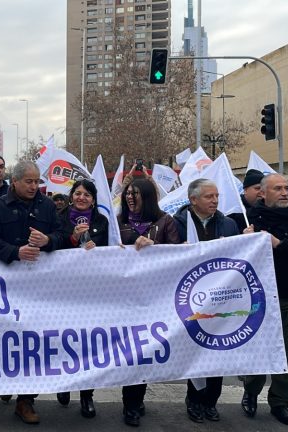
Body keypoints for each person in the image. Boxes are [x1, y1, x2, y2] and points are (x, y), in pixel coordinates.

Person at [0, 160, 64, 425]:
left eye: (37, 181)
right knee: (7, 339)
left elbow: (63, 235)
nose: (33, 186)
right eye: (28, 181)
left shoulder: (48, 206)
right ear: (15, 181)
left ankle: (26, 399)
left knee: (35, 342)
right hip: (8, 290)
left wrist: (48, 240)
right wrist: (15, 252)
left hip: (40, 290)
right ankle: (6, 380)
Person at [172, 179, 245, 423]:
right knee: (196, 351)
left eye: (216, 196)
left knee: (218, 350)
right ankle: (194, 399)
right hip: (190, 299)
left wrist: (246, 241)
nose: (215, 200)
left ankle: (211, 401)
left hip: (221, 299)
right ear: (193, 200)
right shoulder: (177, 224)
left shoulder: (229, 224)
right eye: (208, 196)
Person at [241, 173, 288, 426]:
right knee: (259, 348)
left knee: (286, 353)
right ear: (263, 193)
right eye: (277, 188)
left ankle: (280, 402)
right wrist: (243, 238)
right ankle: (251, 391)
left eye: (286, 188)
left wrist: (279, 243)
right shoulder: (251, 218)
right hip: (257, 297)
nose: (283, 192)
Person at [117, 177, 181, 427]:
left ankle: (136, 397)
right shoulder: (118, 222)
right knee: (130, 353)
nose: (130, 198)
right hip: (124, 300)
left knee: (146, 352)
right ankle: (130, 404)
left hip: (155, 299)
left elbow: (178, 256)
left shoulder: (166, 222)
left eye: (136, 194)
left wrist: (155, 247)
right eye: (128, 194)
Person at [54, 178, 108, 418]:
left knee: (88, 344)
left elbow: (109, 249)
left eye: (87, 194)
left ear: (93, 199)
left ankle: (87, 395)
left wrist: (97, 248)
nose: (82, 197)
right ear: (71, 196)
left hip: (92, 292)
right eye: (78, 193)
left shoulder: (102, 221)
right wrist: (74, 239)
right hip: (63, 290)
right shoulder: (60, 219)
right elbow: (53, 246)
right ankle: (65, 384)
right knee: (65, 340)